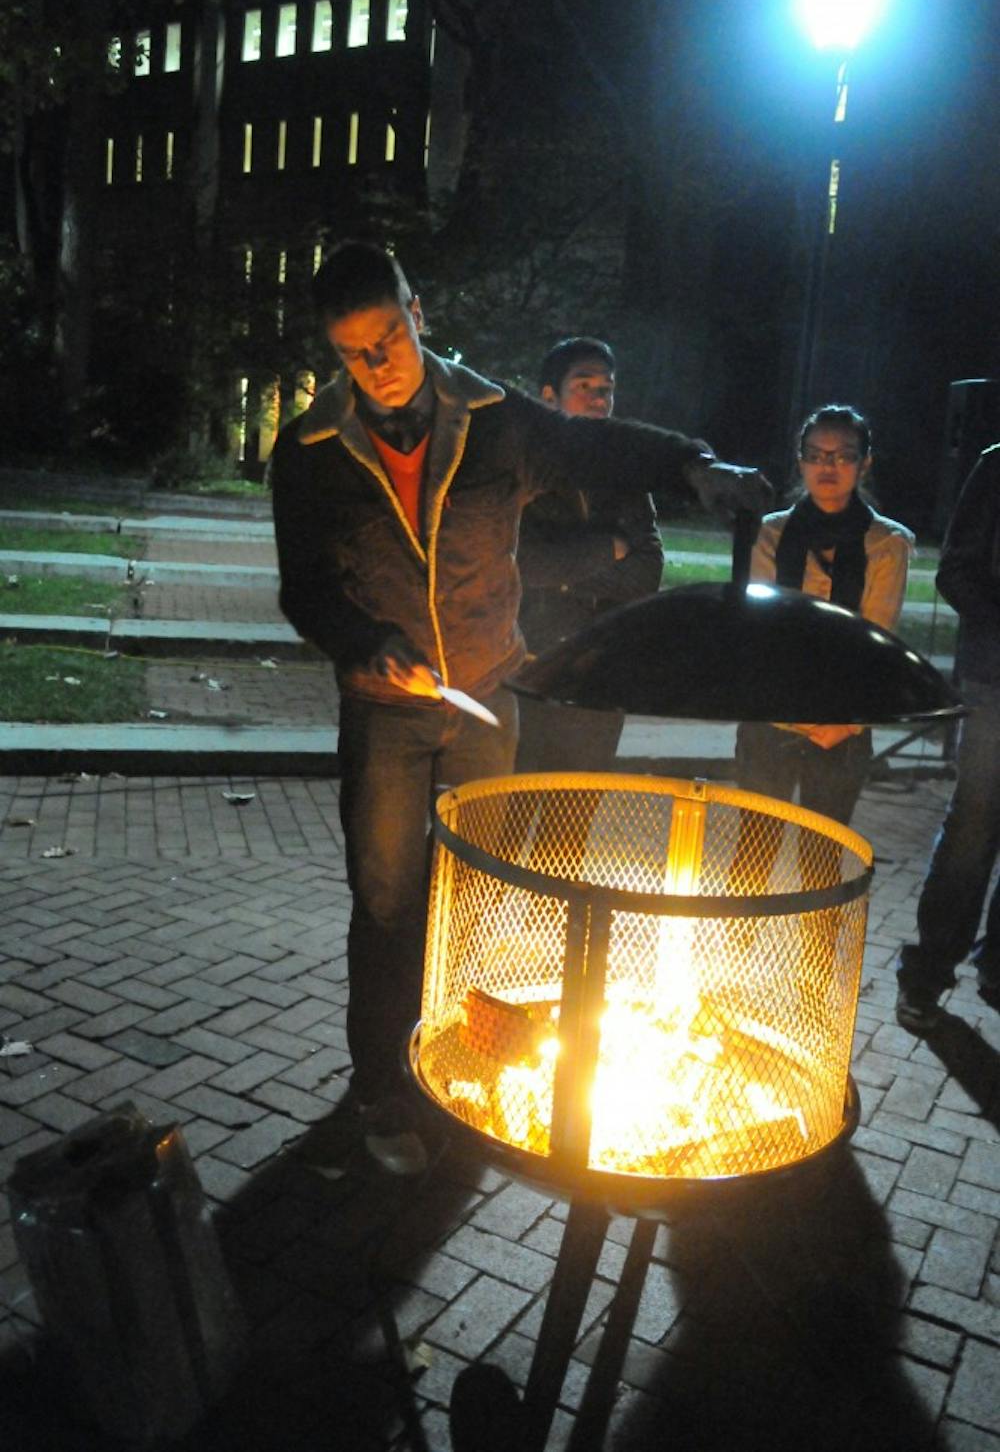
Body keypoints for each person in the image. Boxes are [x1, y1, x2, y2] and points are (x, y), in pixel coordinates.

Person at [270, 240, 769, 1175]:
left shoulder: (495, 421)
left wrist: (692, 466)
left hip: (487, 693)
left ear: (416, 315)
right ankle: (381, 1087)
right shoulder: (309, 452)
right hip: (386, 710)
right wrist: (363, 643)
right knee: (387, 898)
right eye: (353, 354)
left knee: (473, 891)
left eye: (388, 339)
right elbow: (304, 589)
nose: (378, 366)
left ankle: (447, 1056)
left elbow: (593, 445)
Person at [732, 404, 913, 883]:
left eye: (842, 455)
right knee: (751, 857)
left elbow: (878, 644)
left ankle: (818, 937)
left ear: (864, 463)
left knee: (822, 864)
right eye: (816, 454)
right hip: (771, 716)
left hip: (841, 724)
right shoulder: (770, 534)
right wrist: (785, 711)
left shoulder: (886, 544)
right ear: (800, 460)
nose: (828, 466)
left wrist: (844, 723)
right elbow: (761, 632)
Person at [515, 337, 664, 773]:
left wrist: (563, 566)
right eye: (584, 386)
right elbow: (522, 562)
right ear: (549, 395)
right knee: (506, 801)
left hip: (599, 673)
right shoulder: (519, 466)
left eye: (607, 389)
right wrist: (607, 549)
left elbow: (646, 572)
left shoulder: (626, 473)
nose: (600, 399)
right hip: (525, 666)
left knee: (576, 805)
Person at [896, 443, 1000, 1033]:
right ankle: (928, 974)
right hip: (996, 680)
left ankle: (997, 966)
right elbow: (955, 569)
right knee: (974, 827)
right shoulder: (996, 465)